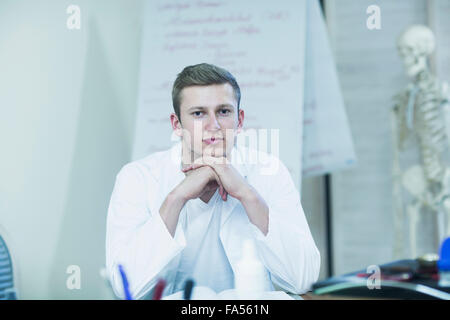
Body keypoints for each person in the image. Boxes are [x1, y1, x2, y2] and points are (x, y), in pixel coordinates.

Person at [106, 63, 320, 299]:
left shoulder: (270, 171)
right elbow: (126, 287)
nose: (214, 126)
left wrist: (247, 195)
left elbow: (303, 279)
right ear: (177, 124)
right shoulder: (137, 178)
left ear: (239, 120)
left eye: (223, 112)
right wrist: (177, 197)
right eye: (198, 113)